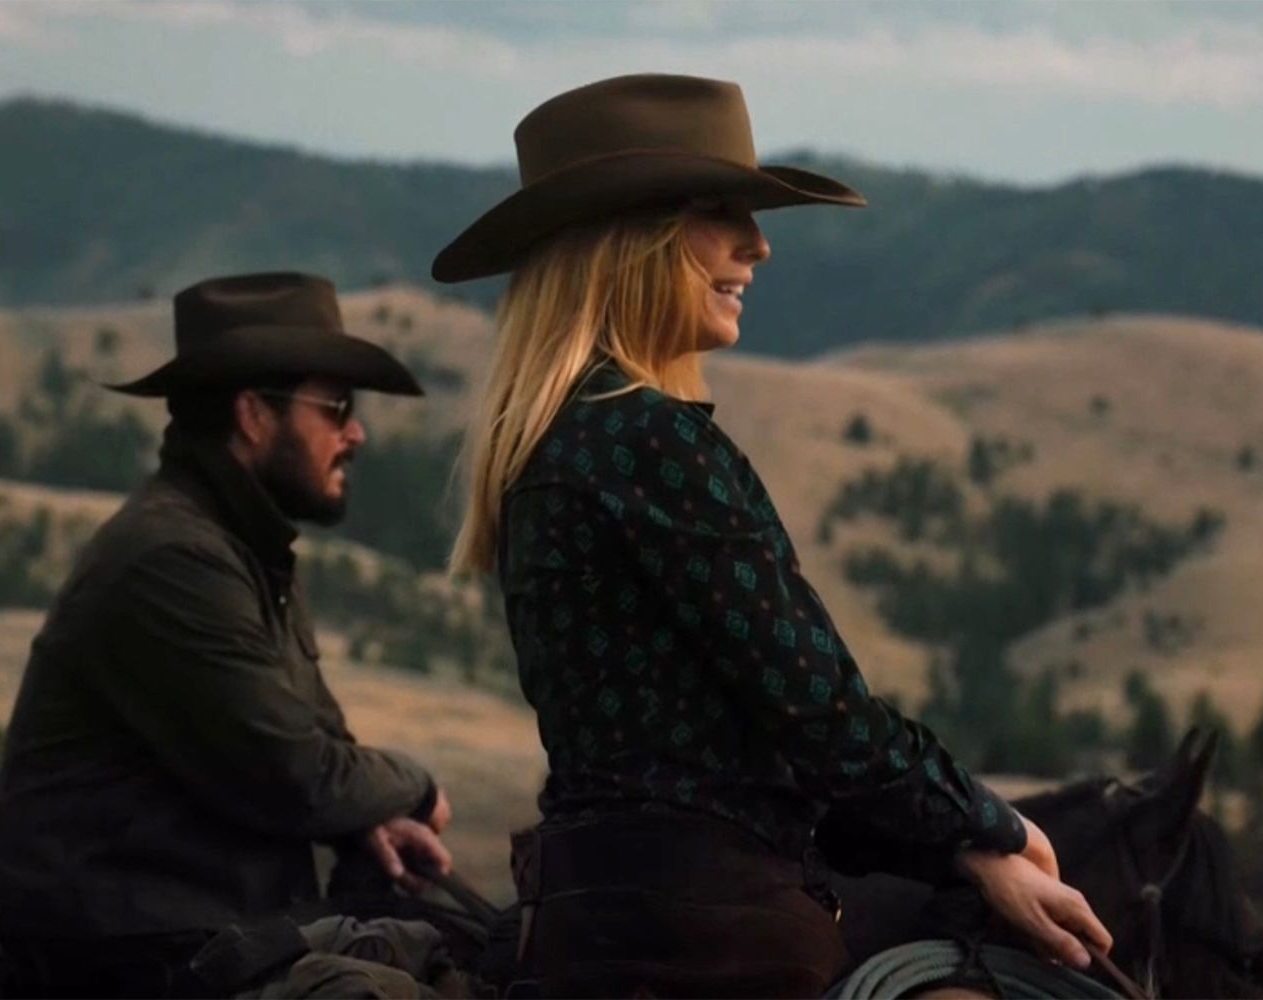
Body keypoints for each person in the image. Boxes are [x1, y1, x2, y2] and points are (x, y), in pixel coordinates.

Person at [435, 74, 1113, 997]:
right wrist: (988, 830)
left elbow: (732, 745)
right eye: (722, 212)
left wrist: (960, 842)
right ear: (630, 238)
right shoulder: (652, 443)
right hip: (714, 938)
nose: (756, 243)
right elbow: (824, 716)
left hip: (594, 916)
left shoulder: (558, 442)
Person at [0, 272, 455, 997]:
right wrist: (417, 788)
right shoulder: (176, 558)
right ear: (253, 416)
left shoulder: (243, 548)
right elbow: (299, 774)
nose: (354, 432)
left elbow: (318, 749)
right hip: (132, 951)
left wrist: (365, 823)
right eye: (336, 407)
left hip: (203, 934)